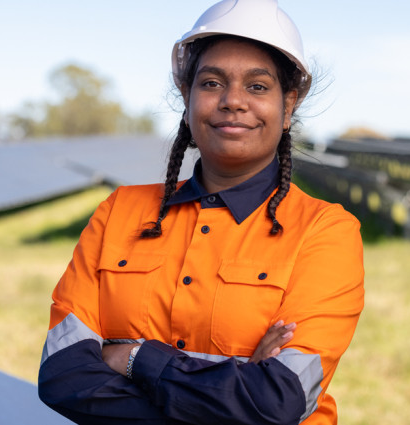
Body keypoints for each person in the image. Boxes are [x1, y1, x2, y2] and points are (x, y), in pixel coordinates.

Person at [37, 1, 364, 424]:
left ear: (288, 107)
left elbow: (277, 403)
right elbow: (64, 375)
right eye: (212, 83)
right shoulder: (119, 212)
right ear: (186, 100)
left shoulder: (325, 231)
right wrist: (237, 387)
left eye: (258, 87)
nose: (233, 101)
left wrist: (135, 358)